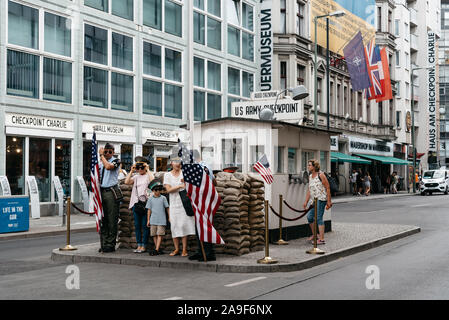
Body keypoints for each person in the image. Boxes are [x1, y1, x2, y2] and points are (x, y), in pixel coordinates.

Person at [164, 156, 196, 257]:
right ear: (172, 163)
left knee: (183, 225)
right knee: (175, 226)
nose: (177, 164)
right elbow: (168, 190)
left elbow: (191, 186)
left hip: (185, 203)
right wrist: (180, 186)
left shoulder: (185, 173)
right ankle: (177, 248)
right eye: (175, 162)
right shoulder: (167, 175)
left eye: (179, 162)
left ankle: (184, 249)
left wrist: (185, 183)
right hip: (174, 204)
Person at [188, 150, 217, 262]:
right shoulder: (201, 167)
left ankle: (209, 253)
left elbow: (211, 183)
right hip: (199, 199)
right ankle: (201, 251)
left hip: (204, 200)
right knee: (199, 227)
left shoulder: (202, 167)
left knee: (205, 226)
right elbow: (214, 182)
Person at [124, 160, 154, 253]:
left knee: (145, 226)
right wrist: (132, 171)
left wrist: (147, 169)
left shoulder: (148, 176)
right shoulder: (136, 177)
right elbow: (126, 182)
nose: (140, 169)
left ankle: (144, 245)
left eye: (142, 167)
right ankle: (139, 245)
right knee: (137, 226)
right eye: (138, 168)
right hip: (136, 203)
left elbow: (153, 180)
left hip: (146, 204)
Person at [303, 159, 332, 245]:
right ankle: (315, 235)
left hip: (321, 199)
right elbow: (309, 190)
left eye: (309, 165)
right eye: (308, 165)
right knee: (310, 217)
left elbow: (328, 187)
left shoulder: (321, 175)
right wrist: (306, 201)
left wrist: (329, 201)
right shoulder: (310, 176)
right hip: (313, 201)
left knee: (319, 218)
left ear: (314, 166)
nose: (308, 167)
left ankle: (322, 239)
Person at [98, 143, 121, 253]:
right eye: (105, 151)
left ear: (113, 152)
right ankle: (104, 243)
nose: (107, 154)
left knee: (112, 219)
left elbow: (108, 167)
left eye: (109, 152)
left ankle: (111, 244)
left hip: (111, 191)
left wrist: (102, 156)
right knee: (103, 219)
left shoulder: (116, 161)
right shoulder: (100, 162)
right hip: (101, 191)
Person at [146, 180, 169, 256]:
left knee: (160, 234)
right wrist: (148, 220)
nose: (158, 191)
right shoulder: (150, 199)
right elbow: (149, 210)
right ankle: (157, 249)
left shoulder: (163, 198)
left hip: (161, 219)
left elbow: (167, 208)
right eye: (156, 190)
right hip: (153, 219)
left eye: (159, 190)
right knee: (154, 235)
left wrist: (169, 217)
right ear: (152, 190)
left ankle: (156, 249)